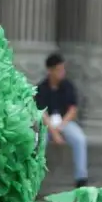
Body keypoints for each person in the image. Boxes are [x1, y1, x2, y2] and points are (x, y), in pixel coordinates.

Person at [35, 53, 88, 188]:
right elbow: (42, 113)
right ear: (50, 70)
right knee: (38, 142)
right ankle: (33, 178)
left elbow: (72, 110)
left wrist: (61, 126)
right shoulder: (41, 88)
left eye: (63, 69)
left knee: (79, 139)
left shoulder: (68, 86)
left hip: (65, 122)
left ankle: (81, 179)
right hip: (47, 125)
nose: (62, 72)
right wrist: (54, 132)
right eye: (58, 70)